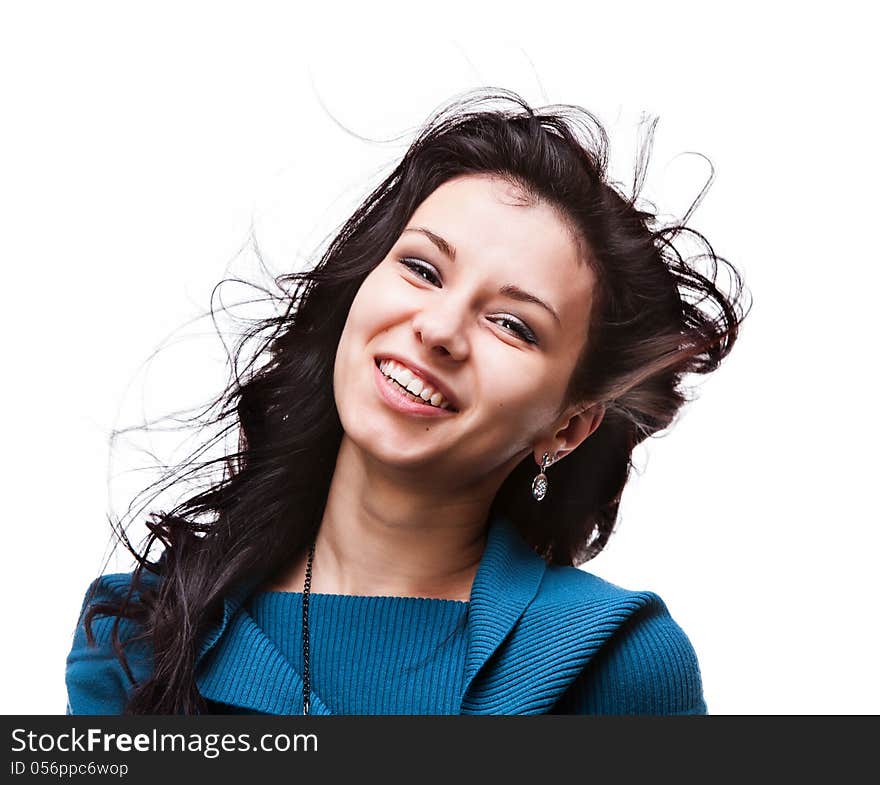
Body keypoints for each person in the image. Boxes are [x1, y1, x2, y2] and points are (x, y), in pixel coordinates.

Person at [65, 87, 749, 715]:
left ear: (567, 427)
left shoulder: (613, 663)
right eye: (423, 270)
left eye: (512, 324)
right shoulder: (137, 633)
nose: (441, 329)